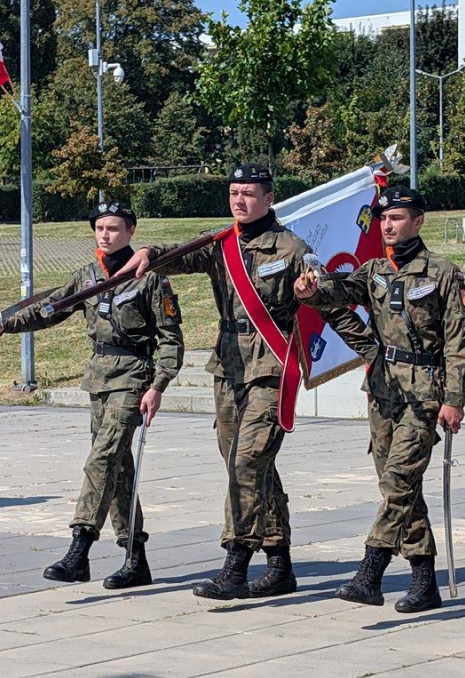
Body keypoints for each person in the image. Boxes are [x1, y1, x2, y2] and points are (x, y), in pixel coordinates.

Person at [120, 163, 378, 601]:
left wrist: (371, 352)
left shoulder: (292, 248)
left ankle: (235, 564)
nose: (240, 200)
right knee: (250, 466)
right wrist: (150, 251)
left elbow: (330, 304)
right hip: (228, 367)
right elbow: (179, 256)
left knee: (247, 464)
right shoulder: (221, 245)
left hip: (271, 368)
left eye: (249, 193)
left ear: (269, 198)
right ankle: (279, 564)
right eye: (234, 192)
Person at [0, 201, 184, 589]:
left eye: (113, 228)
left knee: (102, 460)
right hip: (98, 380)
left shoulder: (149, 279)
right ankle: (135, 558)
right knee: (119, 470)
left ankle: (80, 547)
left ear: (130, 231)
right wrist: (5, 325)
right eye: (99, 229)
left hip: (133, 378)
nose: (105, 235)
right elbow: (51, 309)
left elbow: (171, 338)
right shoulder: (89, 275)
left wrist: (158, 386)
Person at [294, 185, 465, 612]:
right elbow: (338, 292)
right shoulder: (374, 269)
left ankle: (370, 572)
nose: (388, 225)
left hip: (424, 391)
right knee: (400, 487)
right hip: (382, 388)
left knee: (398, 483)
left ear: (418, 221)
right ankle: (424, 582)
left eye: (396, 217)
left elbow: (458, 343)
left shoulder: (443, 274)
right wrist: (310, 292)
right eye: (383, 219)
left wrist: (454, 398)